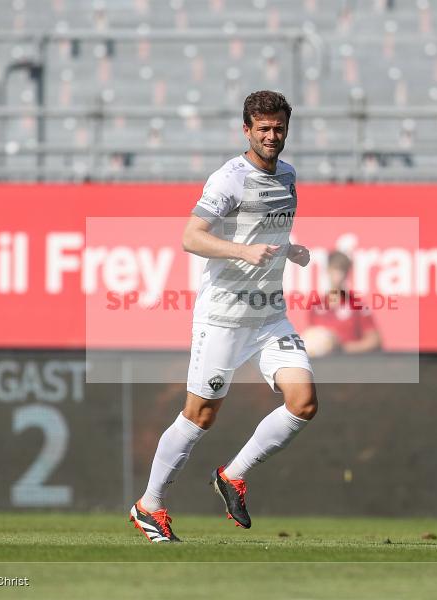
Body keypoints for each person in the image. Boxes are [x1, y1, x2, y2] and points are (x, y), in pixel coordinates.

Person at [129, 90, 317, 543]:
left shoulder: (288, 175)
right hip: (223, 317)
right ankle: (148, 505)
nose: (271, 136)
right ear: (246, 130)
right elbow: (191, 237)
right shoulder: (229, 179)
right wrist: (240, 251)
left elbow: (265, 231)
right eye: (263, 128)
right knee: (200, 415)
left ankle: (232, 475)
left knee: (304, 402)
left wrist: (289, 250)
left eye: (279, 128)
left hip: (269, 316)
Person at [302, 250, 382, 356]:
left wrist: (343, 348)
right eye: (335, 269)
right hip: (323, 364)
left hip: (348, 362)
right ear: (328, 270)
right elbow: (312, 339)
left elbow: (375, 341)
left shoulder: (357, 305)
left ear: (347, 273)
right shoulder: (316, 306)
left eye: (342, 270)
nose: (338, 275)